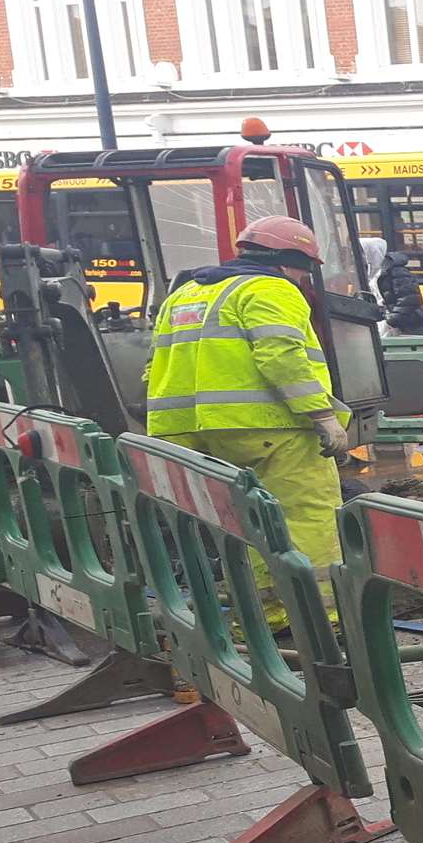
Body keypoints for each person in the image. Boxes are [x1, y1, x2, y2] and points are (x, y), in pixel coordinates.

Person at [145, 216, 345, 630]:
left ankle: (262, 615)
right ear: (290, 262)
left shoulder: (185, 294)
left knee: (240, 523)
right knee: (307, 515)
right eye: (305, 269)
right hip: (270, 429)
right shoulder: (270, 289)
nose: (304, 278)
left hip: (191, 432)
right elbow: (281, 357)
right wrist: (323, 416)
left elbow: (154, 366)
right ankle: (317, 620)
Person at [358, 238, 423, 334]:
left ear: (372, 252)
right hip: (379, 320)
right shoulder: (369, 271)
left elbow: (410, 299)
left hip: (392, 324)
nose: (361, 256)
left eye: (363, 252)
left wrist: (391, 320)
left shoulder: (396, 271)